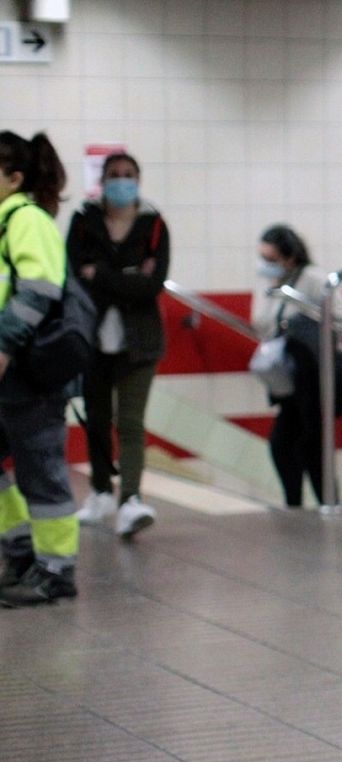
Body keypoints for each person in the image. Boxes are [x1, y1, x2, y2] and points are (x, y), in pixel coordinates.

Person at [67, 151, 170, 538]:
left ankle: (130, 499)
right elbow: (75, 274)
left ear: (139, 180)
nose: (121, 181)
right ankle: (99, 493)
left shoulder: (154, 224)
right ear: (103, 180)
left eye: (129, 174)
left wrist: (103, 275)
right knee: (96, 421)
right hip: (91, 338)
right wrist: (128, 277)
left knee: (129, 423)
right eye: (114, 174)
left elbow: (153, 284)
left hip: (139, 342)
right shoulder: (84, 221)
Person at [0, 131, 80, 607]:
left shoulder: (27, 220)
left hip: (30, 370)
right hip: (9, 372)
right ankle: (21, 550)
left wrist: (4, 346)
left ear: (15, 178)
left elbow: (38, 291)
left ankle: (56, 570)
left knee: (42, 470)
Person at [249, 224, 342, 508]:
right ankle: (297, 504)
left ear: (290, 257)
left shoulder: (314, 280)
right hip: (289, 378)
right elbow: (260, 324)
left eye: (271, 259)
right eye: (262, 258)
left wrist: (301, 325)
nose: (265, 265)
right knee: (284, 445)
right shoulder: (270, 284)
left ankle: (326, 503)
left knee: (309, 446)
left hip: (314, 375)